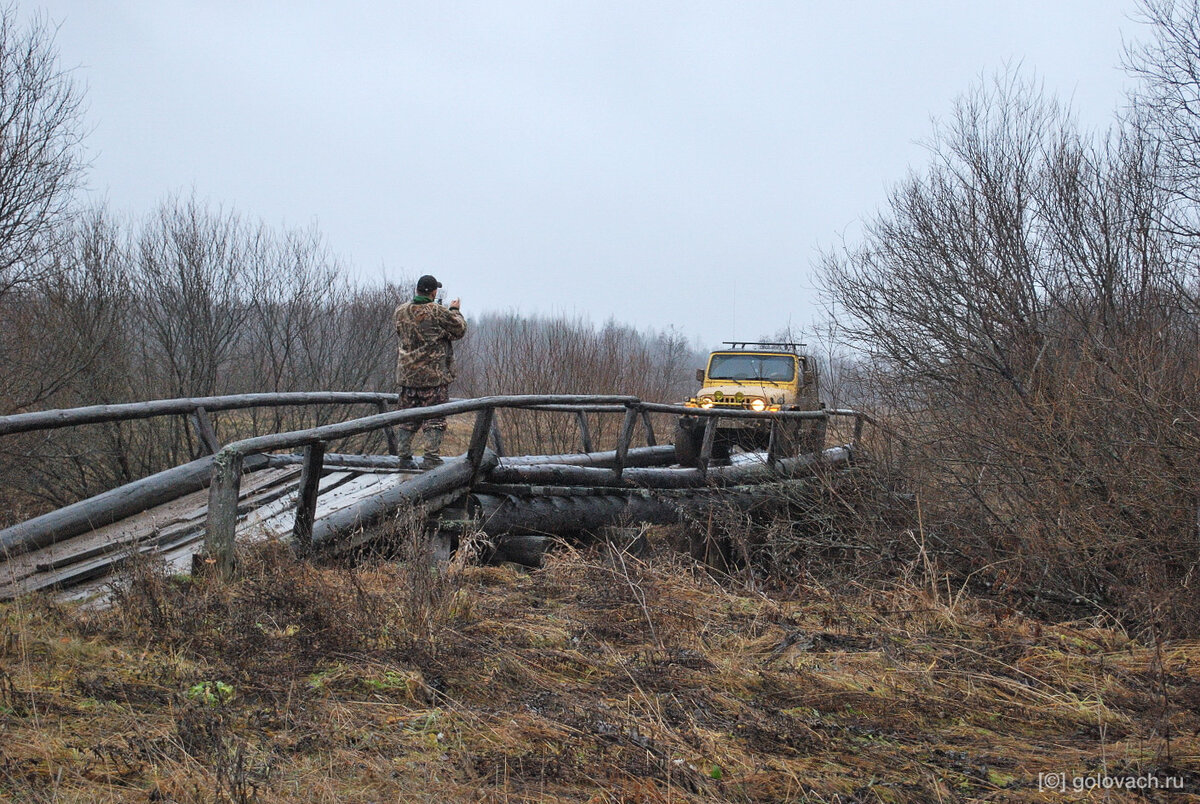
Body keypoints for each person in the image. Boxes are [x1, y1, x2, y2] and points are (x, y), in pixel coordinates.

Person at [392, 274, 466, 469]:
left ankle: (404, 457)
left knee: (407, 419)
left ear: (417, 290)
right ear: (433, 292)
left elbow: (405, 333)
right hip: (432, 378)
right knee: (435, 419)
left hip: (407, 377)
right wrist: (455, 310)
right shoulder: (437, 311)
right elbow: (459, 330)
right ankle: (431, 458)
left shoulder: (400, 311)